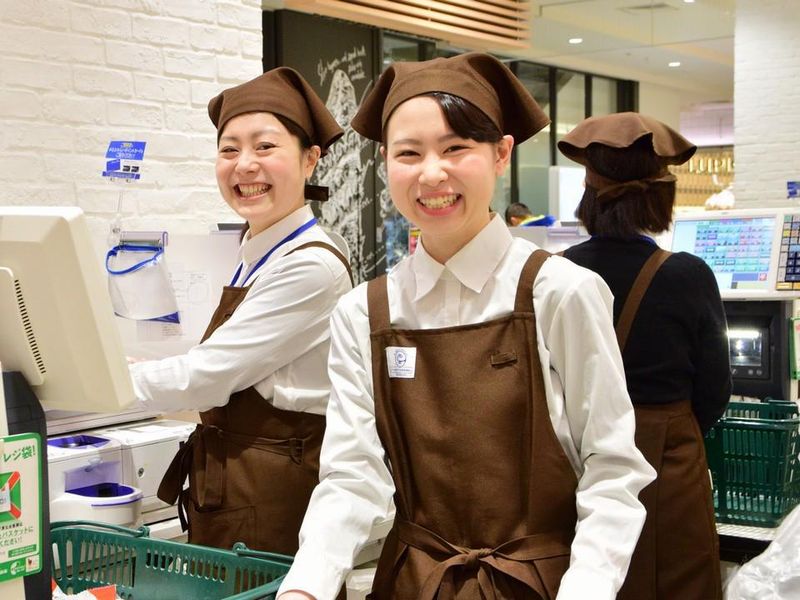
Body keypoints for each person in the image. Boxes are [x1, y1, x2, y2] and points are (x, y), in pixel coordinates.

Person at [277, 53, 655, 600]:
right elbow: (352, 476)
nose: (432, 173)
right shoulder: (364, 312)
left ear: (501, 153)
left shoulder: (560, 292)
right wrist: (306, 587)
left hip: (543, 586)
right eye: (409, 153)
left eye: (455, 148)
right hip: (412, 585)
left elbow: (612, 469)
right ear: (385, 162)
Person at [128, 67, 354, 556]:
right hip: (235, 485)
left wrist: (99, 385)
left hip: (271, 497)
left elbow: (209, 375)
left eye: (265, 147)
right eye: (229, 150)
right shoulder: (257, 250)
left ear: (310, 159)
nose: (244, 165)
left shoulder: (310, 265)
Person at [558, 112, 730, 600]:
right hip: (666, 462)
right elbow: (715, 388)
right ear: (660, 197)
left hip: (575, 463)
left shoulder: (555, 273)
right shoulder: (687, 274)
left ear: (588, 195)